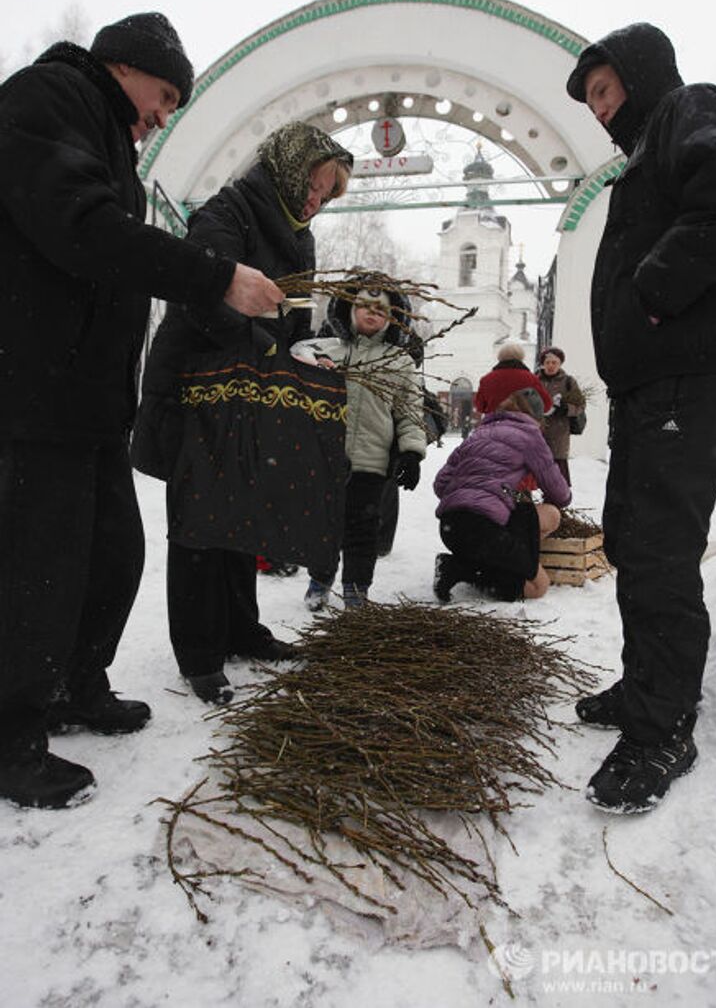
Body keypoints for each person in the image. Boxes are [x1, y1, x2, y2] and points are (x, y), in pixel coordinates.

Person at [0, 12, 289, 809]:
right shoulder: (46, 100)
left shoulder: (108, 138)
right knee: (36, 571)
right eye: (165, 95)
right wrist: (215, 277)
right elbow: (86, 230)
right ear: (123, 66)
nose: (165, 115)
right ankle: (12, 734)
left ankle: (75, 687)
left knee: (112, 555)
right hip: (33, 391)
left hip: (89, 400)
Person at [566, 22, 716, 813]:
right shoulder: (650, 149)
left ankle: (662, 731)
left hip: (688, 380)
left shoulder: (692, 109)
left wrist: (651, 292)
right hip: (652, 389)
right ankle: (645, 685)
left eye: (605, 90)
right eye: (590, 101)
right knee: (631, 539)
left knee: (658, 553)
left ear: (640, 75)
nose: (598, 109)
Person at [131, 122, 353, 705]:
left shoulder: (299, 237)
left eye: (327, 193)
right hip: (198, 392)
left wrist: (306, 355)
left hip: (249, 398)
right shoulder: (226, 213)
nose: (316, 198)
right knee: (201, 521)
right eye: (314, 182)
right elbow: (197, 292)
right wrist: (263, 344)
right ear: (287, 164)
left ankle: (240, 630)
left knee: (240, 511)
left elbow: (294, 319)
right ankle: (199, 651)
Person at [292, 281, 427, 610]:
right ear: (349, 310)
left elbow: (410, 411)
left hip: (372, 462)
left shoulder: (399, 362)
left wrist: (411, 452)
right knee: (324, 526)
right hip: (326, 459)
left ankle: (356, 589)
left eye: (381, 310)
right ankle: (320, 579)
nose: (372, 313)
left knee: (363, 530)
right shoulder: (324, 353)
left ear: (392, 318)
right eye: (364, 306)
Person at [432, 388, 571, 603]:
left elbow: (440, 484)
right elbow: (558, 493)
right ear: (535, 417)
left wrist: (475, 493)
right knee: (538, 586)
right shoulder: (530, 435)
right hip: (485, 530)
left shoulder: (478, 433)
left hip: (451, 528)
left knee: (540, 519)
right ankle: (458, 570)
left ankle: (472, 566)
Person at [535, 346, 586, 484]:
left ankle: (556, 502)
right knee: (531, 474)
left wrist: (566, 409)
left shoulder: (568, 382)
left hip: (559, 434)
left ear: (560, 364)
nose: (550, 366)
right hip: (536, 433)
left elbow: (580, 406)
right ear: (543, 364)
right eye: (547, 363)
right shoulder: (534, 380)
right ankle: (526, 503)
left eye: (554, 362)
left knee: (558, 478)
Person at [475, 341, 553, 419]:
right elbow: (546, 405)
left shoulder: (486, 380)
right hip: (523, 426)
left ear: (500, 357)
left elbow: (480, 407)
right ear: (521, 357)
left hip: (494, 426)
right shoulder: (531, 379)